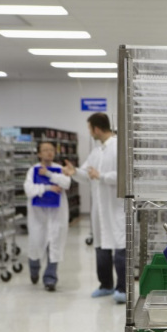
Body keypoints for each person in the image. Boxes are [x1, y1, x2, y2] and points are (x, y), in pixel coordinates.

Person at [63, 112, 127, 304]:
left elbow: (123, 176)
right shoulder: (96, 151)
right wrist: (74, 172)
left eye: (90, 128)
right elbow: (87, 173)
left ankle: (122, 289)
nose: (90, 132)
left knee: (119, 247)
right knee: (101, 247)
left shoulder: (118, 147)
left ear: (96, 129)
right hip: (99, 210)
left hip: (115, 208)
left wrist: (102, 176)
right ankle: (105, 285)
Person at [24, 141, 72, 292]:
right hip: (38, 216)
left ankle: (50, 279)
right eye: (45, 150)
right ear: (39, 153)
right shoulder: (32, 170)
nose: (49, 152)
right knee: (36, 245)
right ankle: (34, 269)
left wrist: (50, 175)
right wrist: (48, 187)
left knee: (54, 246)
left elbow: (66, 183)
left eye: (51, 150)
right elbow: (29, 190)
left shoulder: (59, 169)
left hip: (56, 215)